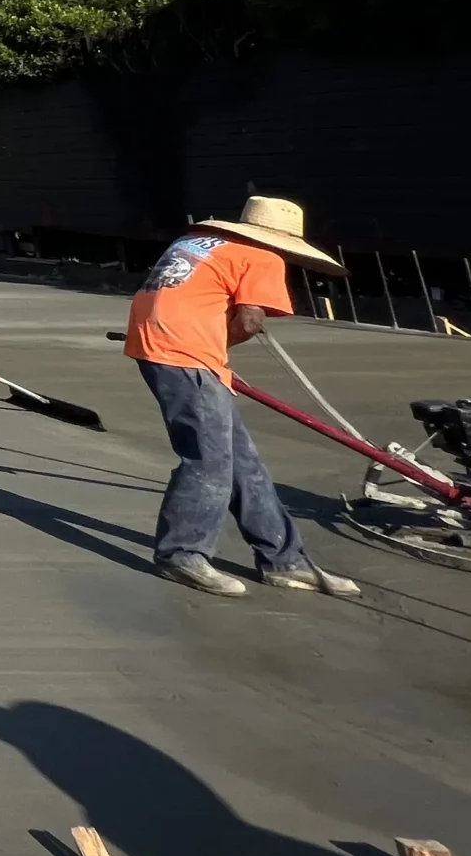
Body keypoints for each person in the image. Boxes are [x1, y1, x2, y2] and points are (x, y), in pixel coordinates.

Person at [125, 194, 361, 599]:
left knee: (243, 463)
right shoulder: (263, 256)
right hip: (186, 358)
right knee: (209, 460)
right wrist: (216, 351)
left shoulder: (197, 241)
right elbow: (250, 320)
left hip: (156, 348)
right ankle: (181, 554)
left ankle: (284, 559)